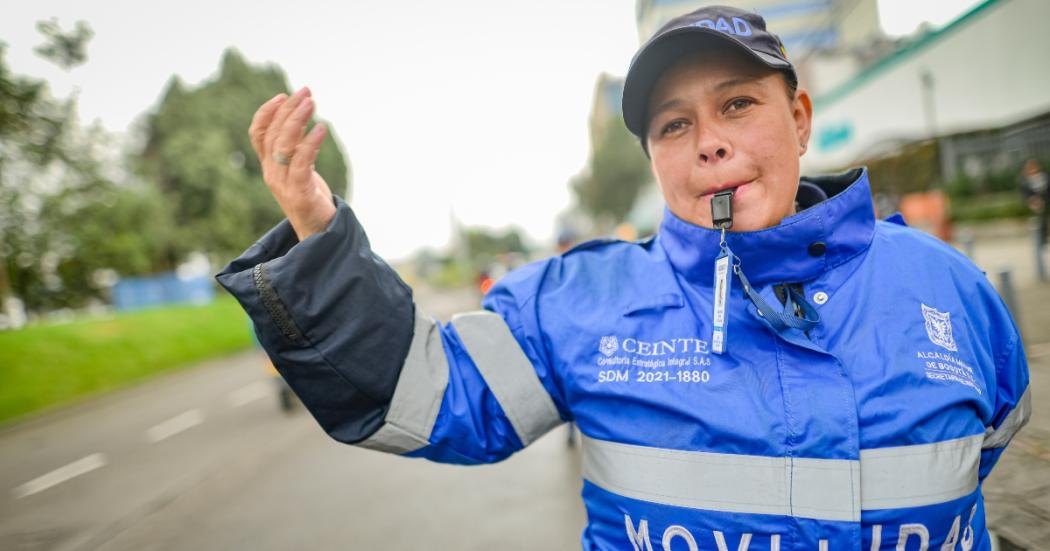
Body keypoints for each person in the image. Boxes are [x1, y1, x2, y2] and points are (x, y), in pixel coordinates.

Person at [217, 6, 1030, 550]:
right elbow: (417, 392)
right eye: (675, 124)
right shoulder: (582, 302)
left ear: (801, 118)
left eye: (738, 104)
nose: (708, 142)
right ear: (653, 159)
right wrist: (320, 234)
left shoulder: (950, 287)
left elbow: (984, 446)